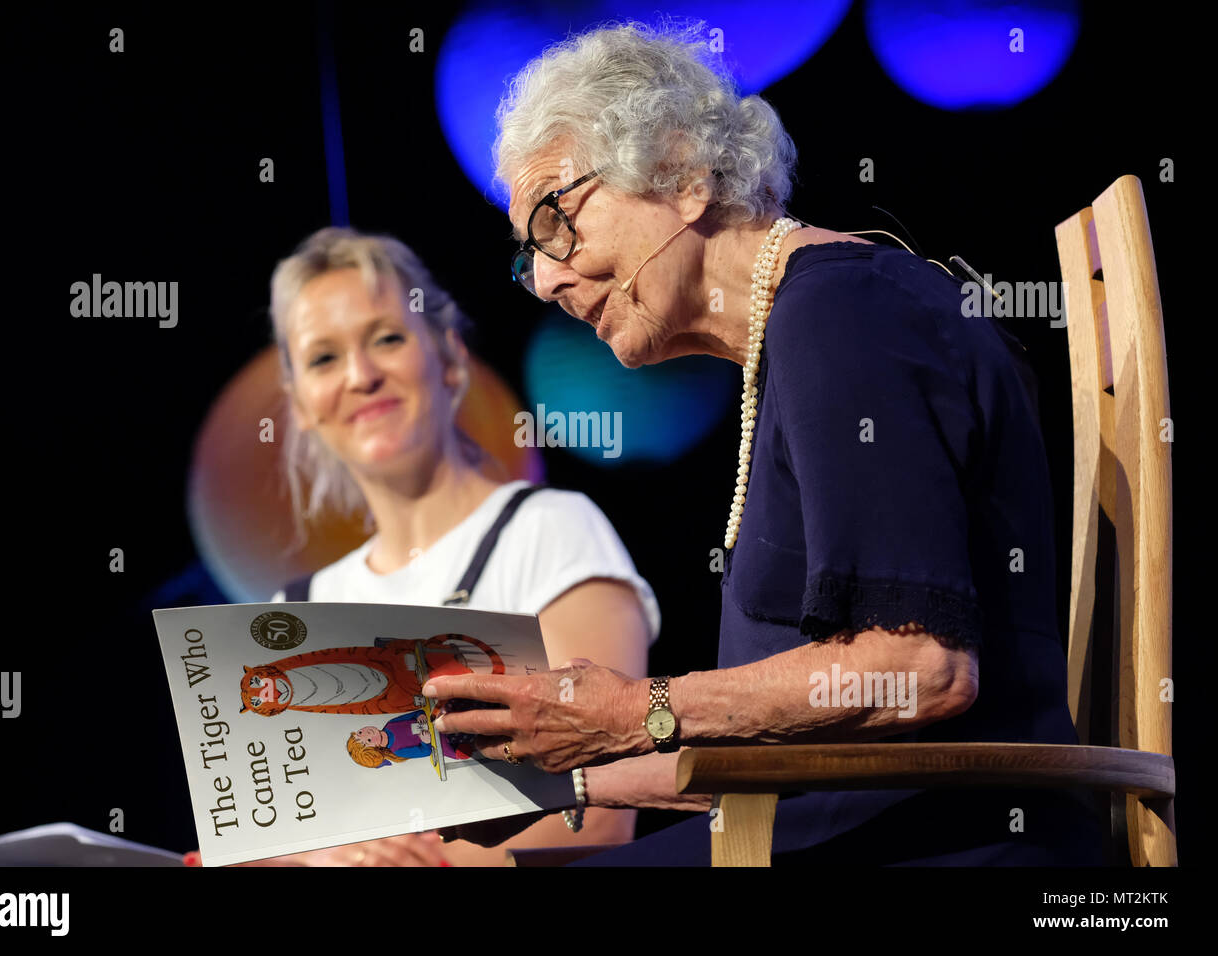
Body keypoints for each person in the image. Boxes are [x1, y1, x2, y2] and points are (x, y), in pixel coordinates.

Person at [424, 20, 1104, 865]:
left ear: (683, 173)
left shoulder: (841, 311)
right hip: (839, 824)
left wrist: (628, 708)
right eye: (531, 258)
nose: (551, 278)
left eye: (556, 222)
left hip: (939, 842)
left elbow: (923, 666)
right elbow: (782, 740)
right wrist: (569, 776)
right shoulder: (800, 337)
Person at [226, 225, 659, 866]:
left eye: (388, 339)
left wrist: (416, 861)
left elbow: (598, 811)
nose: (361, 375)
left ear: (450, 357)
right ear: (302, 406)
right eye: (323, 358)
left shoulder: (549, 530)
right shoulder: (293, 609)